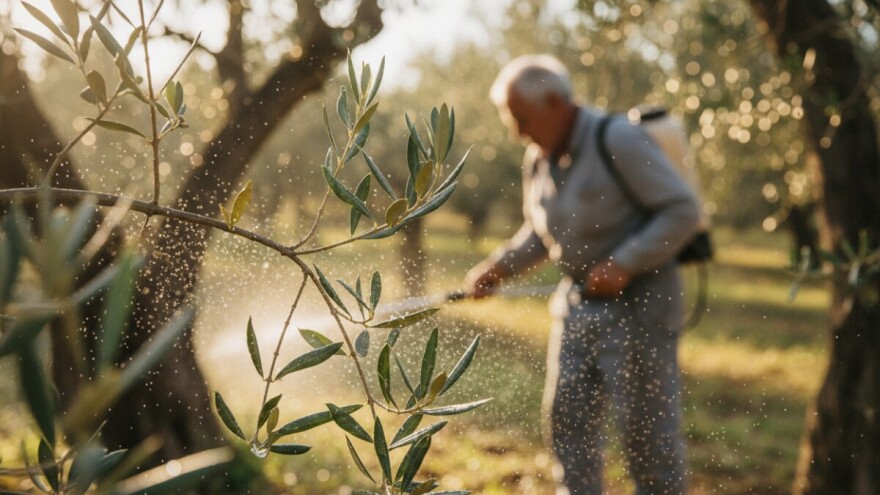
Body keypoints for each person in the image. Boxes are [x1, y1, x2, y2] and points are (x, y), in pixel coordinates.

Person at [464, 54, 701, 495]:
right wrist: (498, 268)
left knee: (646, 440)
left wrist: (625, 262)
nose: (516, 131)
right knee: (567, 426)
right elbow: (541, 233)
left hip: (641, 312)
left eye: (520, 117)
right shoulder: (538, 159)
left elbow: (683, 210)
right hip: (576, 310)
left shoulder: (619, 139)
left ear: (556, 102)